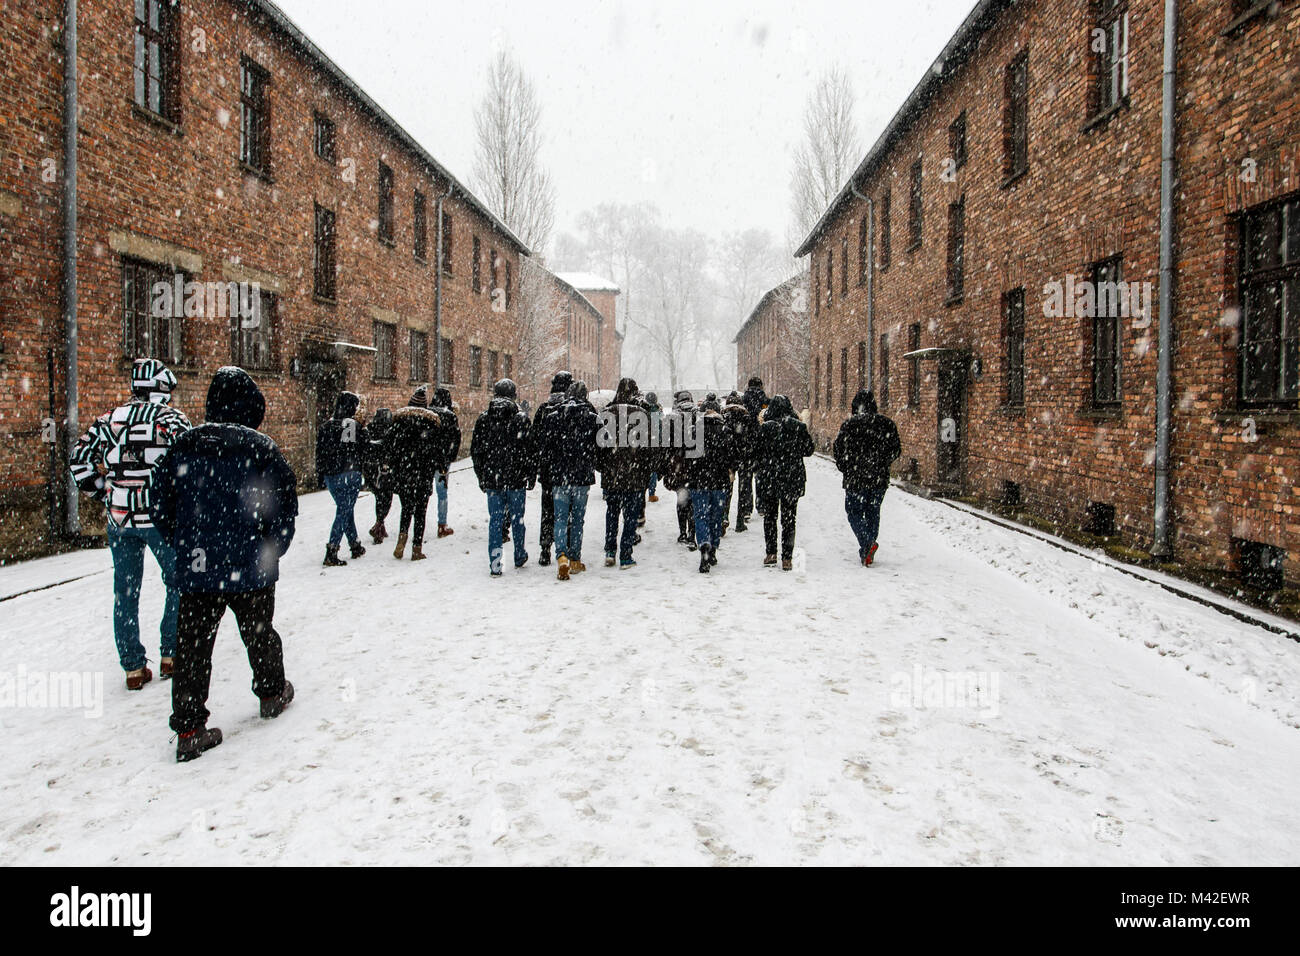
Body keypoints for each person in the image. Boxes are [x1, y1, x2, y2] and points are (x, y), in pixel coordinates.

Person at [149, 367, 297, 762]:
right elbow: (284, 509)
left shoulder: (183, 447)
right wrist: (272, 549)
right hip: (250, 566)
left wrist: (184, 543)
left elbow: (159, 505)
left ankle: (189, 726)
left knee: (193, 647)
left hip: (198, 569)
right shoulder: (262, 449)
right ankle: (271, 692)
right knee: (260, 633)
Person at [70, 358, 191, 690]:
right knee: (178, 581)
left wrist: (106, 493)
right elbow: (191, 464)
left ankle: (133, 667)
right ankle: (172, 653)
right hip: (160, 518)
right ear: (164, 388)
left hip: (120, 518)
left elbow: (79, 460)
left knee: (125, 591)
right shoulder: (173, 421)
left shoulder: (111, 419)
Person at [470, 379, 535, 576]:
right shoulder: (521, 419)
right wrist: (530, 474)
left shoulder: (484, 419)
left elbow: (477, 451)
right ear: (514, 395)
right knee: (517, 519)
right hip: (516, 478)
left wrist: (482, 475)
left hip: (493, 479)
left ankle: (496, 563)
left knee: (495, 521)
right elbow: (530, 450)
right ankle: (519, 554)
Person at [538, 380, 600, 580]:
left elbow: (545, 448)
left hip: (559, 476)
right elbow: (601, 446)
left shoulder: (553, 417)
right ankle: (575, 558)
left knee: (560, 518)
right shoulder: (592, 418)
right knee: (578, 520)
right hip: (581, 476)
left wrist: (550, 468)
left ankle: (561, 556)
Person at [834, 389, 902, 567]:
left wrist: (847, 468)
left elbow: (839, 451)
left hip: (855, 477)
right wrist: (882, 462)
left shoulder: (849, 425)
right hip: (878, 478)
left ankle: (867, 544)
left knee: (854, 512)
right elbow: (895, 449)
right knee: (873, 511)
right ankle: (868, 546)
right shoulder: (886, 424)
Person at [755, 395, 815, 570]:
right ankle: (787, 557)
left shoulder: (765, 429)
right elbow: (809, 450)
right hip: (791, 478)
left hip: (770, 478)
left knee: (770, 517)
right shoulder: (798, 427)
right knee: (789, 519)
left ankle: (771, 553)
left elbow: (756, 452)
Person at [384, 385, 443, 561]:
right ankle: (417, 548)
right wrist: (440, 466)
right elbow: (437, 450)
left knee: (406, 509)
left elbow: (390, 447)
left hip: (405, 473)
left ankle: (401, 541)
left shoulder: (399, 424)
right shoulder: (431, 424)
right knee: (420, 512)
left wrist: (394, 465)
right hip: (423, 474)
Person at [597, 377, 649, 569]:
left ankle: (610, 551)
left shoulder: (606, 414)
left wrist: (603, 467)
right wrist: (646, 470)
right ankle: (626, 555)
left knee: (612, 513)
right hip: (634, 476)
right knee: (630, 516)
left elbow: (599, 447)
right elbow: (648, 449)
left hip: (612, 474)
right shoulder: (641, 415)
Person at [316, 391, 367, 567]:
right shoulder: (349, 425)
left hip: (330, 476)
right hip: (348, 474)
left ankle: (355, 545)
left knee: (345, 509)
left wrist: (320, 475)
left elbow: (320, 453)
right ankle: (332, 549)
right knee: (344, 511)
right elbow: (352, 450)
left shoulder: (325, 426)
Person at [686, 394, 736, 573]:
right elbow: (732, 457)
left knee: (701, 515)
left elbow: (687, 456)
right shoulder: (725, 431)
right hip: (719, 481)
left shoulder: (694, 430)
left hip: (698, 481)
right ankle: (713, 547)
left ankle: (704, 544)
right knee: (716, 516)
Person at [532, 371, 574, 566]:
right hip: (568, 470)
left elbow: (534, 442)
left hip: (548, 471)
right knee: (567, 511)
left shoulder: (543, 410)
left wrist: (538, 466)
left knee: (548, 510)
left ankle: (545, 548)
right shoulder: (572, 410)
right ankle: (564, 547)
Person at [663, 389, 696, 549]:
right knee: (694, 501)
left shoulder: (672, 417)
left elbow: (665, 445)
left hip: (678, 465)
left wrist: (666, 467)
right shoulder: (699, 415)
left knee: (682, 499)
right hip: (696, 464)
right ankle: (692, 533)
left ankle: (683, 532)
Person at [736, 376, 768, 528]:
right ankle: (761, 506)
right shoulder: (766, 401)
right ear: (760, 386)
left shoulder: (742, 401)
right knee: (761, 476)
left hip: (745, 444)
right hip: (761, 444)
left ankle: (746, 508)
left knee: (745, 477)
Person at [429, 386, 461, 539]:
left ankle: (415, 521)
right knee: (442, 493)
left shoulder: (428, 414)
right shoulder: (450, 416)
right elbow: (456, 437)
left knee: (422, 492)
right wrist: (451, 456)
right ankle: (442, 525)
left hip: (427, 459)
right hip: (443, 461)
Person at [721, 392, 755, 534]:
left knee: (727, 489)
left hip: (728, 459)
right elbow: (754, 438)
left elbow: (721, 439)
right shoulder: (747, 418)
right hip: (745, 458)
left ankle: (724, 516)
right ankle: (740, 520)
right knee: (743, 489)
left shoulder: (724, 418)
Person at [363, 407, 395, 544]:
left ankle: (380, 524)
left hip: (370, 470)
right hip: (384, 470)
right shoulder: (390, 431)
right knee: (386, 498)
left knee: (379, 498)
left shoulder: (370, 429)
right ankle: (379, 525)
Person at [644, 392, 662, 502]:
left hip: (643, 443)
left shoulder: (641, 411)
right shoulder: (658, 412)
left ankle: (641, 490)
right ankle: (652, 493)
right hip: (654, 444)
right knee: (653, 469)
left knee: (643, 469)